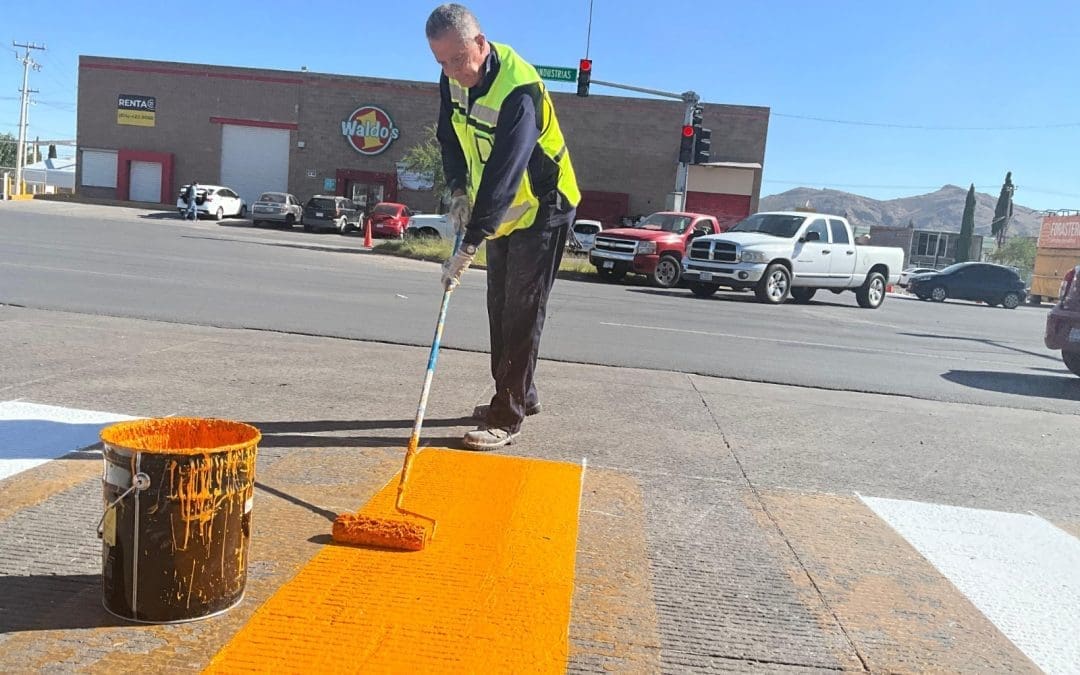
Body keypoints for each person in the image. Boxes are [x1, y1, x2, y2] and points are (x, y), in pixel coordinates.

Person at [427, 3, 580, 451]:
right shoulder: (452, 80)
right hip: (506, 211)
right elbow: (449, 138)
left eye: (458, 59)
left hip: (544, 205)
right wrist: (457, 190)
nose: (453, 71)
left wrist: (467, 246)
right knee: (500, 304)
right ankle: (519, 394)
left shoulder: (520, 91)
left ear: (480, 42)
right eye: (441, 62)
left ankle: (507, 416)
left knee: (522, 308)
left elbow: (504, 173)